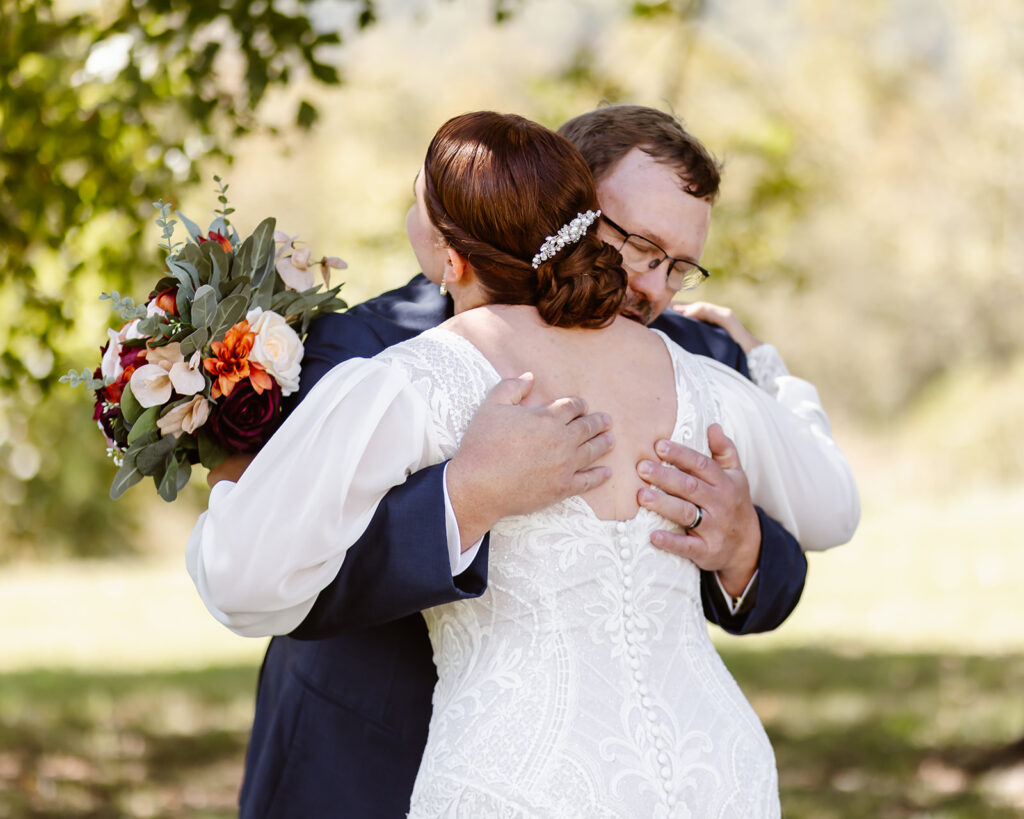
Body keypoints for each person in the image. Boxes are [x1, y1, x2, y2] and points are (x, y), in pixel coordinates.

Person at [189, 111, 859, 816]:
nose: (656, 288)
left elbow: (813, 524)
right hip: (374, 766)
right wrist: (464, 496)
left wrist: (743, 542)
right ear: (565, 201)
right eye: (638, 246)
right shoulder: (362, 347)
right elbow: (303, 575)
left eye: (681, 267)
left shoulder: (704, 357)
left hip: (649, 771)